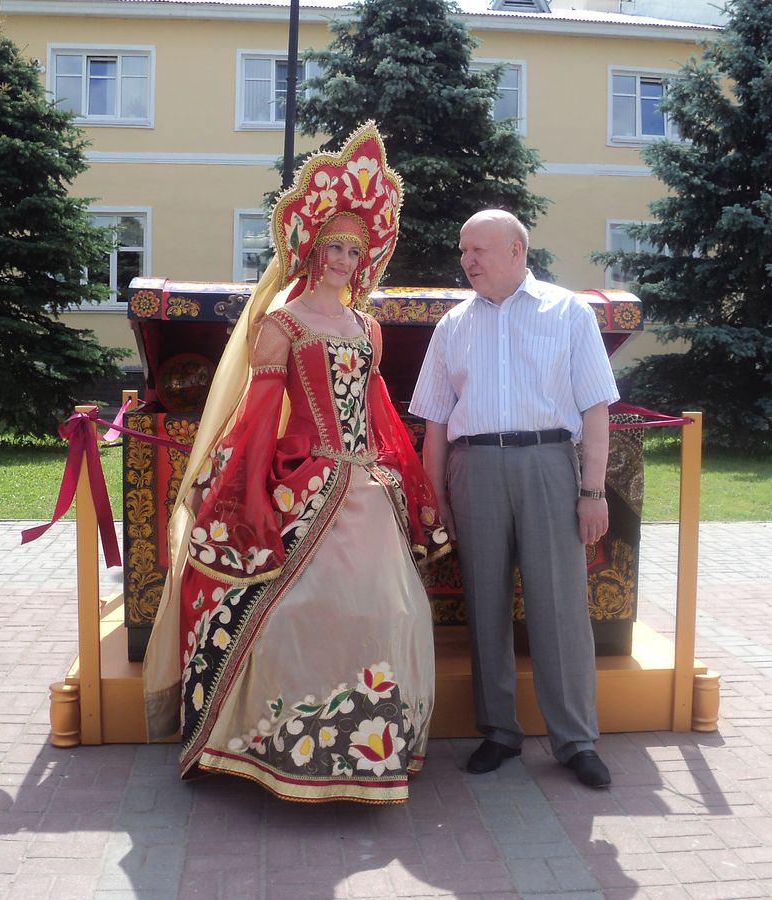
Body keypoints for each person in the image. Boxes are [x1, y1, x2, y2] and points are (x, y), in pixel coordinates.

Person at [143, 122, 449, 804]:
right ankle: (275, 743)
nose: (344, 259)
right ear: (311, 249)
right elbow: (258, 419)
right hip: (307, 478)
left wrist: (398, 472)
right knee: (297, 609)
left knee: (391, 611)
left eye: (355, 250)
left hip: (365, 486)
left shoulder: (365, 326)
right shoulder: (283, 324)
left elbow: (378, 412)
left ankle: (371, 747)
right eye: (335, 246)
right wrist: (242, 487)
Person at [409, 209, 619, 789]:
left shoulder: (567, 312)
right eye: (463, 250)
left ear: (517, 252)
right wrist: (436, 497)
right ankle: (499, 730)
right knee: (484, 601)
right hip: (472, 467)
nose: (466, 260)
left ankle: (574, 738)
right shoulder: (453, 324)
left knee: (559, 604)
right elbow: (433, 422)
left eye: (478, 249)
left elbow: (596, 407)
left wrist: (592, 490)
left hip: (549, 463)